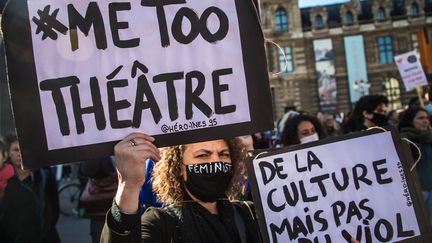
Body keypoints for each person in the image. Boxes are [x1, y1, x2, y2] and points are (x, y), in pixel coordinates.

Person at [0, 134, 61, 243]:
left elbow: (53, 206)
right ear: (8, 153)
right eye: (15, 150)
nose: (20, 153)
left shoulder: (43, 174)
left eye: (23, 149)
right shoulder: (4, 179)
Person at [399, 107, 432, 224]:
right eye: (421, 118)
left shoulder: (429, 137)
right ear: (411, 121)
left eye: (427, 118)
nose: (425, 121)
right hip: (417, 192)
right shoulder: (404, 139)